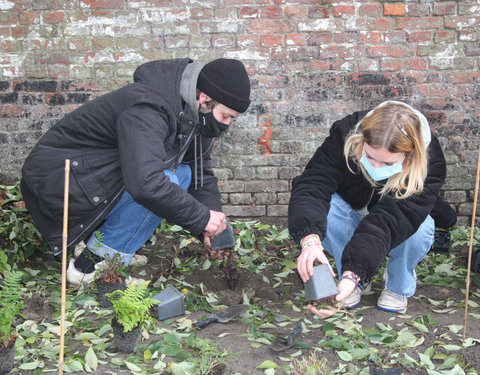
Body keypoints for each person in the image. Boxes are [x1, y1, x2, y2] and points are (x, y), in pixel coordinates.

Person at [20, 58, 251, 286]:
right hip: (61, 181)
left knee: (182, 175)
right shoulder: (149, 107)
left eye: (232, 118)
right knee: (162, 182)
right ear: (205, 99)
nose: (227, 124)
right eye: (225, 115)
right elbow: (145, 184)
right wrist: (201, 218)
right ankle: (86, 269)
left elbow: (199, 171)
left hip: (93, 179)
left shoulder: (195, 114)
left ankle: (106, 246)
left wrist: (211, 226)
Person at [288, 100, 456, 317]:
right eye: (369, 157)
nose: (376, 167)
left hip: (394, 219)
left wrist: (354, 271)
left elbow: (388, 222)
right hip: (353, 208)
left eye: (387, 164)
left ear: (410, 156)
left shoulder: (429, 163)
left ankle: (397, 286)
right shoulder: (345, 132)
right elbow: (314, 183)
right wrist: (309, 241)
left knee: (420, 229)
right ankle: (354, 280)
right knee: (324, 211)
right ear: (361, 140)